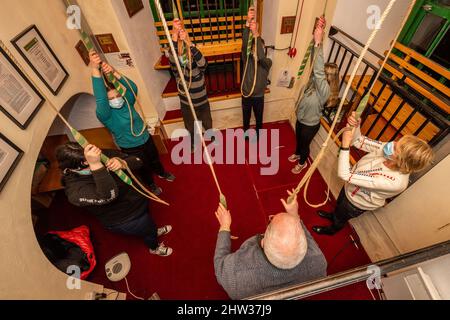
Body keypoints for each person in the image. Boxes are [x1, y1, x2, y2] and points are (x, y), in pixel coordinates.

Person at [313, 112, 434, 235]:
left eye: (395, 148)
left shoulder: (395, 182)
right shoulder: (390, 153)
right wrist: (357, 125)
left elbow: (345, 175)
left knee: (342, 217)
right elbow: (359, 142)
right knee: (339, 206)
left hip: (356, 203)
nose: (391, 144)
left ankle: (332, 229)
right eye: (397, 142)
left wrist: (344, 145)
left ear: (401, 161)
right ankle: (333, 215)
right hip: (349, 188)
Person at [56, 142, 173, 256]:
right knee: (147, 230)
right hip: (126, 218)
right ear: (72, 168)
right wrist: (96, 166)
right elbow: (108, 195)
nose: (97, 159)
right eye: (89, 163)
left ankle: (152, 230)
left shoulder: (99, 155)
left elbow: (138, 162)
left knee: (148, 223)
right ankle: (154, 247)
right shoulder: (75, 191)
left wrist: (122, 162)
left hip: (138, 201)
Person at [214, 191, 327, 300]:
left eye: (270, 221)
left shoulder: (236, 274)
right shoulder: (319, 263)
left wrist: (224, 226)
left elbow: (219, 265)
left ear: (263, 242)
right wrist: (294, 214)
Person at [89, 52, 174, 196]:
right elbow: (100, 98)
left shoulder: (127, 102)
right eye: (112, 98)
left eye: (118, 95)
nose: (116, 99)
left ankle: (161, 172)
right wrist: (95, 69)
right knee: (142, 166)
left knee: (154, 158)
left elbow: (132, 87)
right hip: (130, 147)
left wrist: (114, 72)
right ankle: (151, 184)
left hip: (146, 138)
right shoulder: (106, 114)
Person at [288, 17, 340, 174]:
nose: (321, 74)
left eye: (325, 74)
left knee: (305, 145)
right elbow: (315, 63)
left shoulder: (325, 91)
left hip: (310, 124)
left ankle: (303, 162)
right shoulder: (315, 81)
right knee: (298, 140)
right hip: (301, 118)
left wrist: (318, 42)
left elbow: (317, 71)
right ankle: (297, 154)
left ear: (329, 78)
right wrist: (317, 39)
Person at [168, 19, 213, 151]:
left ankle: (211, 135)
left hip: (201, 98)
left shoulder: (193, 49)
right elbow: (173, 62)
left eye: (183, 31)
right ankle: (194, 142)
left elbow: (204, 64)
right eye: (179, 31)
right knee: (190, 125)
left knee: (207, 121)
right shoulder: (176, 55)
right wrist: (174, 36)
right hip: (187, 100)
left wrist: (189, 44)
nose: (181, 33)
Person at [241, 6, 272, 140]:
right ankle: (246, 134)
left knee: (259, 119)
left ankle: (259, 134)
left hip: (259, 96)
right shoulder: (247, 59)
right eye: (254, 47)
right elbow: (244, 44)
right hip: (247, 94)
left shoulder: (267, 62)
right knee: (246, 118)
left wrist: (256, 35)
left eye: (259, 47)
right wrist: (248, 23)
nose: (256, 49)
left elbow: (260, 56)